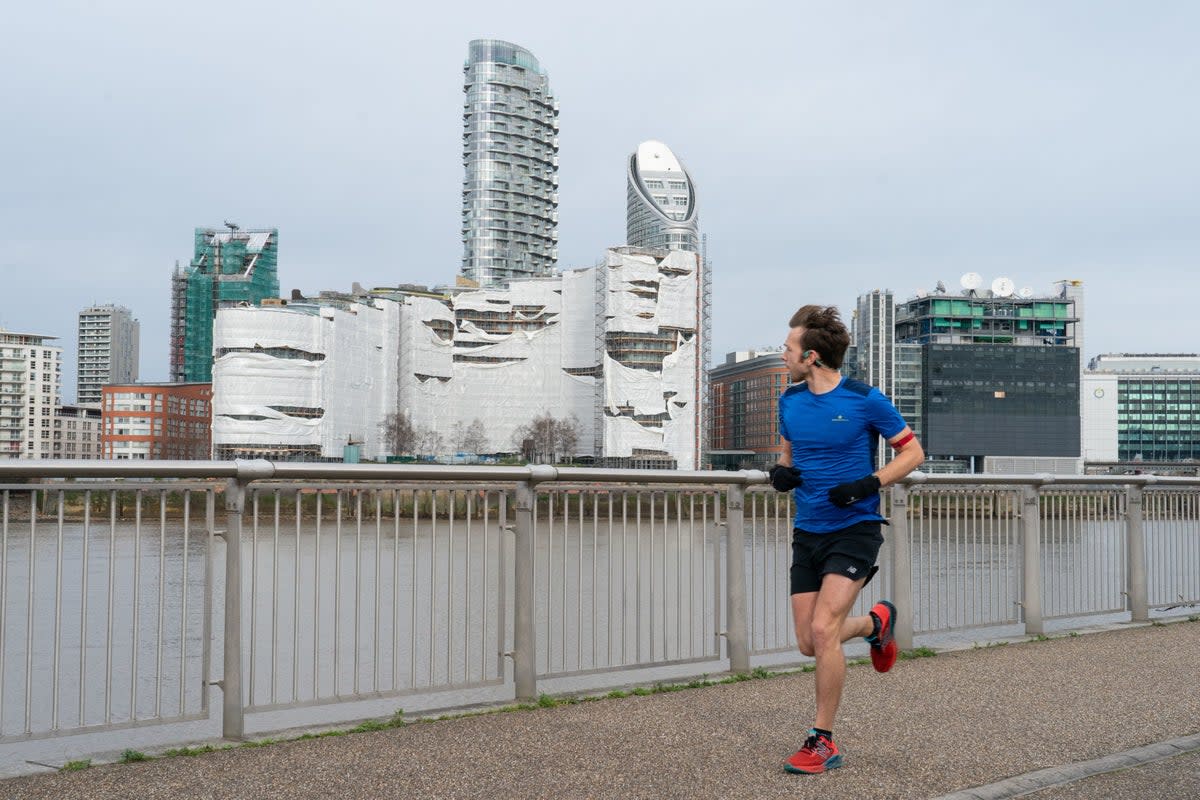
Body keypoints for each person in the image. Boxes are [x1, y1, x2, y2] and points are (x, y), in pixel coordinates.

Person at [769, 304, 924, 775]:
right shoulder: (789, 400)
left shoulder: (865, 399)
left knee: (822, 629)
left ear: (811, 356)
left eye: (789, 347)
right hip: (808, 528)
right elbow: (788, 450)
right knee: (809, 642)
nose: (784, 353)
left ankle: (823, 742)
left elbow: (913, 452)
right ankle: (876, 625)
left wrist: (868, 484)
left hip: (855, 527)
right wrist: (782, 472)